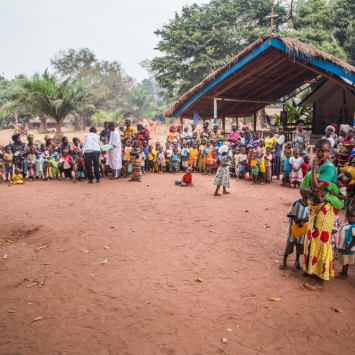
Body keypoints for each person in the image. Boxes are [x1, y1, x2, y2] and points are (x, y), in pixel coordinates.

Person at [299, 138, 338, 291]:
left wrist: (314, 169)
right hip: (315, 206)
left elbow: (315, 186)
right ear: (315, 151)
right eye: (321, 150)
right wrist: (312, 190)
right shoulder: (313, 166)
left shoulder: (329, 168)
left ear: (331, 152)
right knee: (311, 239)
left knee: (322, 240)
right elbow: (305, 189)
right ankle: (312, 270)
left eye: (327, 151)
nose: (324, 154)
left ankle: (320, 280)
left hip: (326, 207)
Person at [279, 191, 309, 270]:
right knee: (289, 244)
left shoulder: (310, 205)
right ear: (304, 194)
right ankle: (284, 260)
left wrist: (299, 220)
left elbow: (309, 217)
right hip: (293, 228)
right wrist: (296, 220)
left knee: (300, 245)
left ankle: (297, 260)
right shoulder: (296, 203)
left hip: (303, 229)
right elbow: (289, 214)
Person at [336, 205, 355, 279]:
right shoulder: (346, 224)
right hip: (343, 246)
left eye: (354, 217)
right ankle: (344, 272)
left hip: (348, 247)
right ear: (347, 216)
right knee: (344, 260)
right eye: (350, 216)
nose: (352, 219)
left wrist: (349, 247)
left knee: (346, 261)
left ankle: (343, 274)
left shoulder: (353, 227)